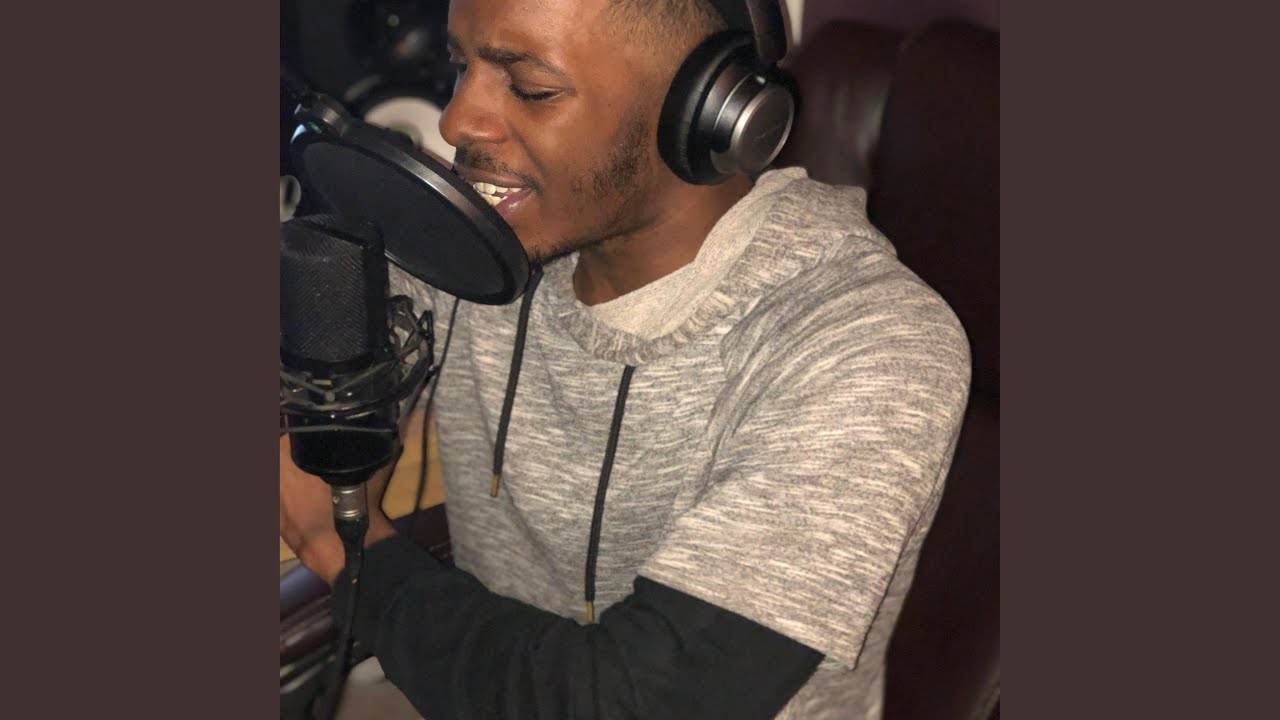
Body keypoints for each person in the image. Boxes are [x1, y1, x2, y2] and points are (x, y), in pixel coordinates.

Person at [279, 0, 972, 717]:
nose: (457, 123)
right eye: (460, 66)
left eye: (530, 88)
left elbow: (637, 704)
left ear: (702, 113)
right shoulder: (485, 246)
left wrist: (346, 552)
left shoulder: (869, 345)